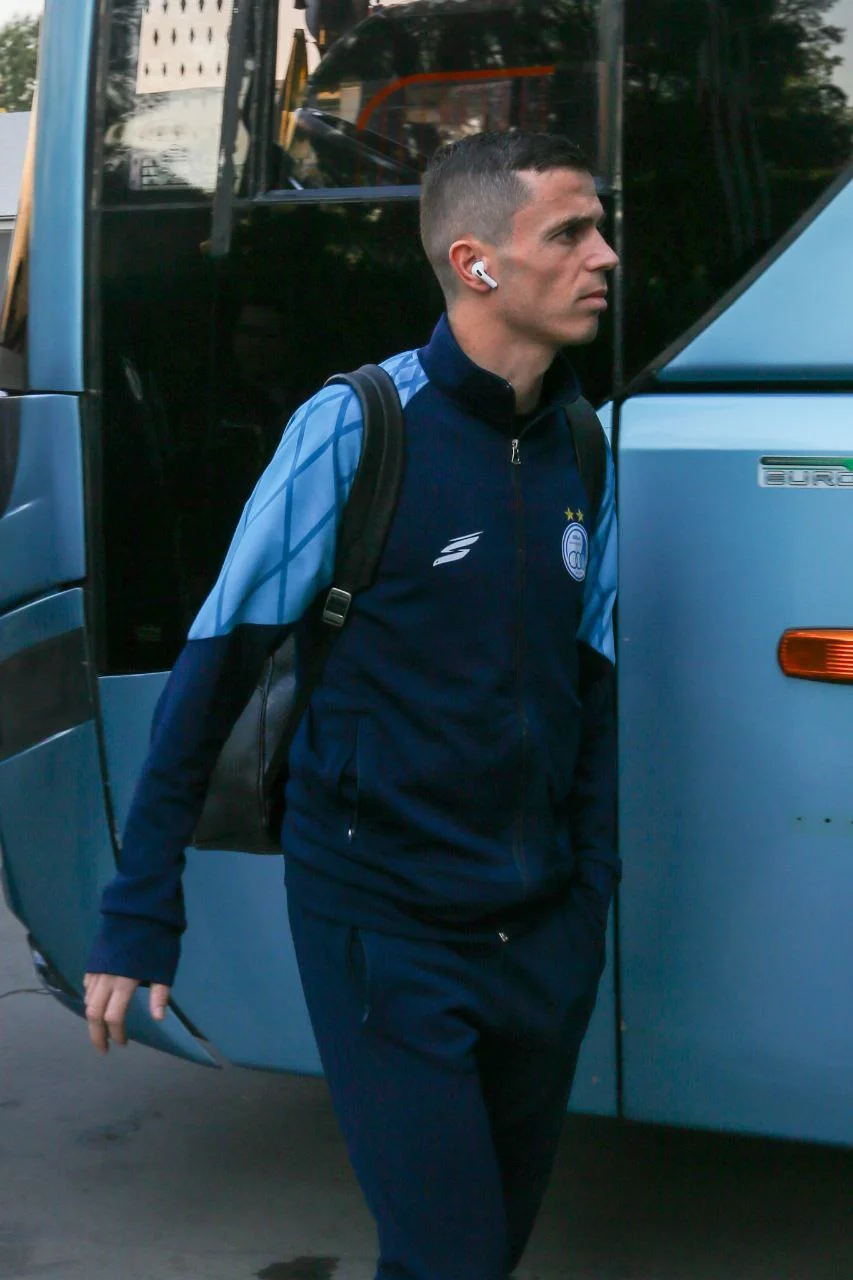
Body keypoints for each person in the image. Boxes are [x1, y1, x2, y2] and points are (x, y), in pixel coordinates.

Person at [84, 130, 620, 1280]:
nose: (604, 255)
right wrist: (139, 909)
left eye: (599, 227)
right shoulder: (360, 424)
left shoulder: (581, 442)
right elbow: (214, 667)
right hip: (384, 923)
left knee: (477, 1253)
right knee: (451, 1257)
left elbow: (594, 692)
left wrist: (588, 900)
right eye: (570, 232)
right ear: (476, 262)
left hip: (540, 933)